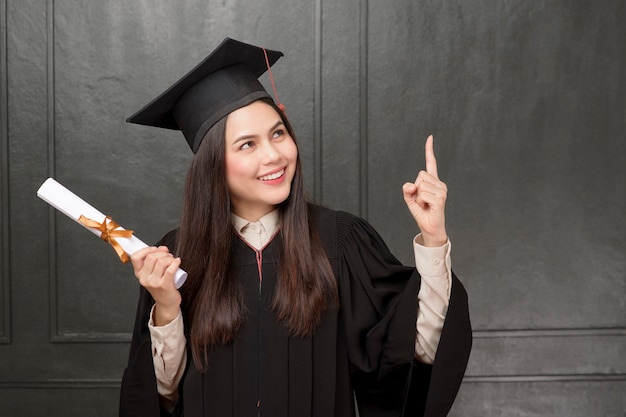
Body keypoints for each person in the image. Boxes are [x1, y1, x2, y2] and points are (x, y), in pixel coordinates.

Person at [119, 37, 471, 417]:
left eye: (277, 133)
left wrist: (434, 240)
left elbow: (409, 356)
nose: (273, 155)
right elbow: (161, 399)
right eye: (247, 145)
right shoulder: (176, 258)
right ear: (213, 166)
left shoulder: (341, 242)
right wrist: (167, 307)